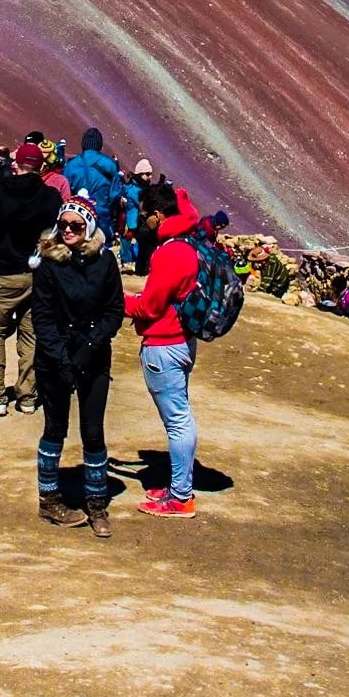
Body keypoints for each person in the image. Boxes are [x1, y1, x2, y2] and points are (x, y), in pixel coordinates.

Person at [29, 198, 123, 534]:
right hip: (54, 358)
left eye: (76, 226)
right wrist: (61, 358)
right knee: (55, 427)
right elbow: (42, 317)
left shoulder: (105, 262)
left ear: (90, 228)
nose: (68, 231)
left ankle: (96, 504)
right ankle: (49, 500)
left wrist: (91, 345)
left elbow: (115, 310)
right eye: (63, 225)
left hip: (93, 356)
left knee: (93, 430)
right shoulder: (48, 264)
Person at [125, 181, 204, 518]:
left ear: (158, 215)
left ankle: (181, 497)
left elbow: (151, 307)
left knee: (177, 421)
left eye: (145, 216)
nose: (143, 222)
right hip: (181, 339)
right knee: (180, 416)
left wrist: (117, 300)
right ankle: (178, 487)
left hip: (165, 343)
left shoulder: (170, 252)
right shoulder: (188, 242)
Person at [0, 138, 62, 416]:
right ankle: (28, 396)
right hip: (38, 275)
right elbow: (57, 235)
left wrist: (2, 249)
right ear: (41, 167)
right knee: (31, 335)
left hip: (4, 275)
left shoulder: (2, 195)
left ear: (16, 165)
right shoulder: (51, 197)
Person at [58, 128, 124, 236]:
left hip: (76, 218)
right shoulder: (110, 164)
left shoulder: (71, 165)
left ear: (83, 145)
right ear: (100, 146)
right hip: (101, 219)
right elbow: (114, 195)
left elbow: (64, 193)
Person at [128, 158, 162, 273]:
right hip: (135, 224)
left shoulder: (143, 188)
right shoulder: (133, 190)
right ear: (139, 174)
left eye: (150, 174)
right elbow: (143, 206)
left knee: (144, 251)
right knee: (144, 250)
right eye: (147, 174)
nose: (150, 177)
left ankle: (142, 271)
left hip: (142, 223)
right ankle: (141, 271)